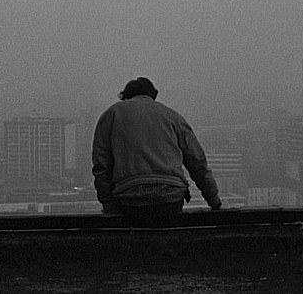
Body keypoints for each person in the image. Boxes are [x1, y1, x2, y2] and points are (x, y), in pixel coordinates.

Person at [92, 77, 221, 219]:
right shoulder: (172, 116)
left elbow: (101, 165)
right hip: (170, 198)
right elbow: (197, 161)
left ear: (125, 96)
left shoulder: (111, 115)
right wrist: (213, 200)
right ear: (153, 95)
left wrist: (108, 205)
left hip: (129, 199)